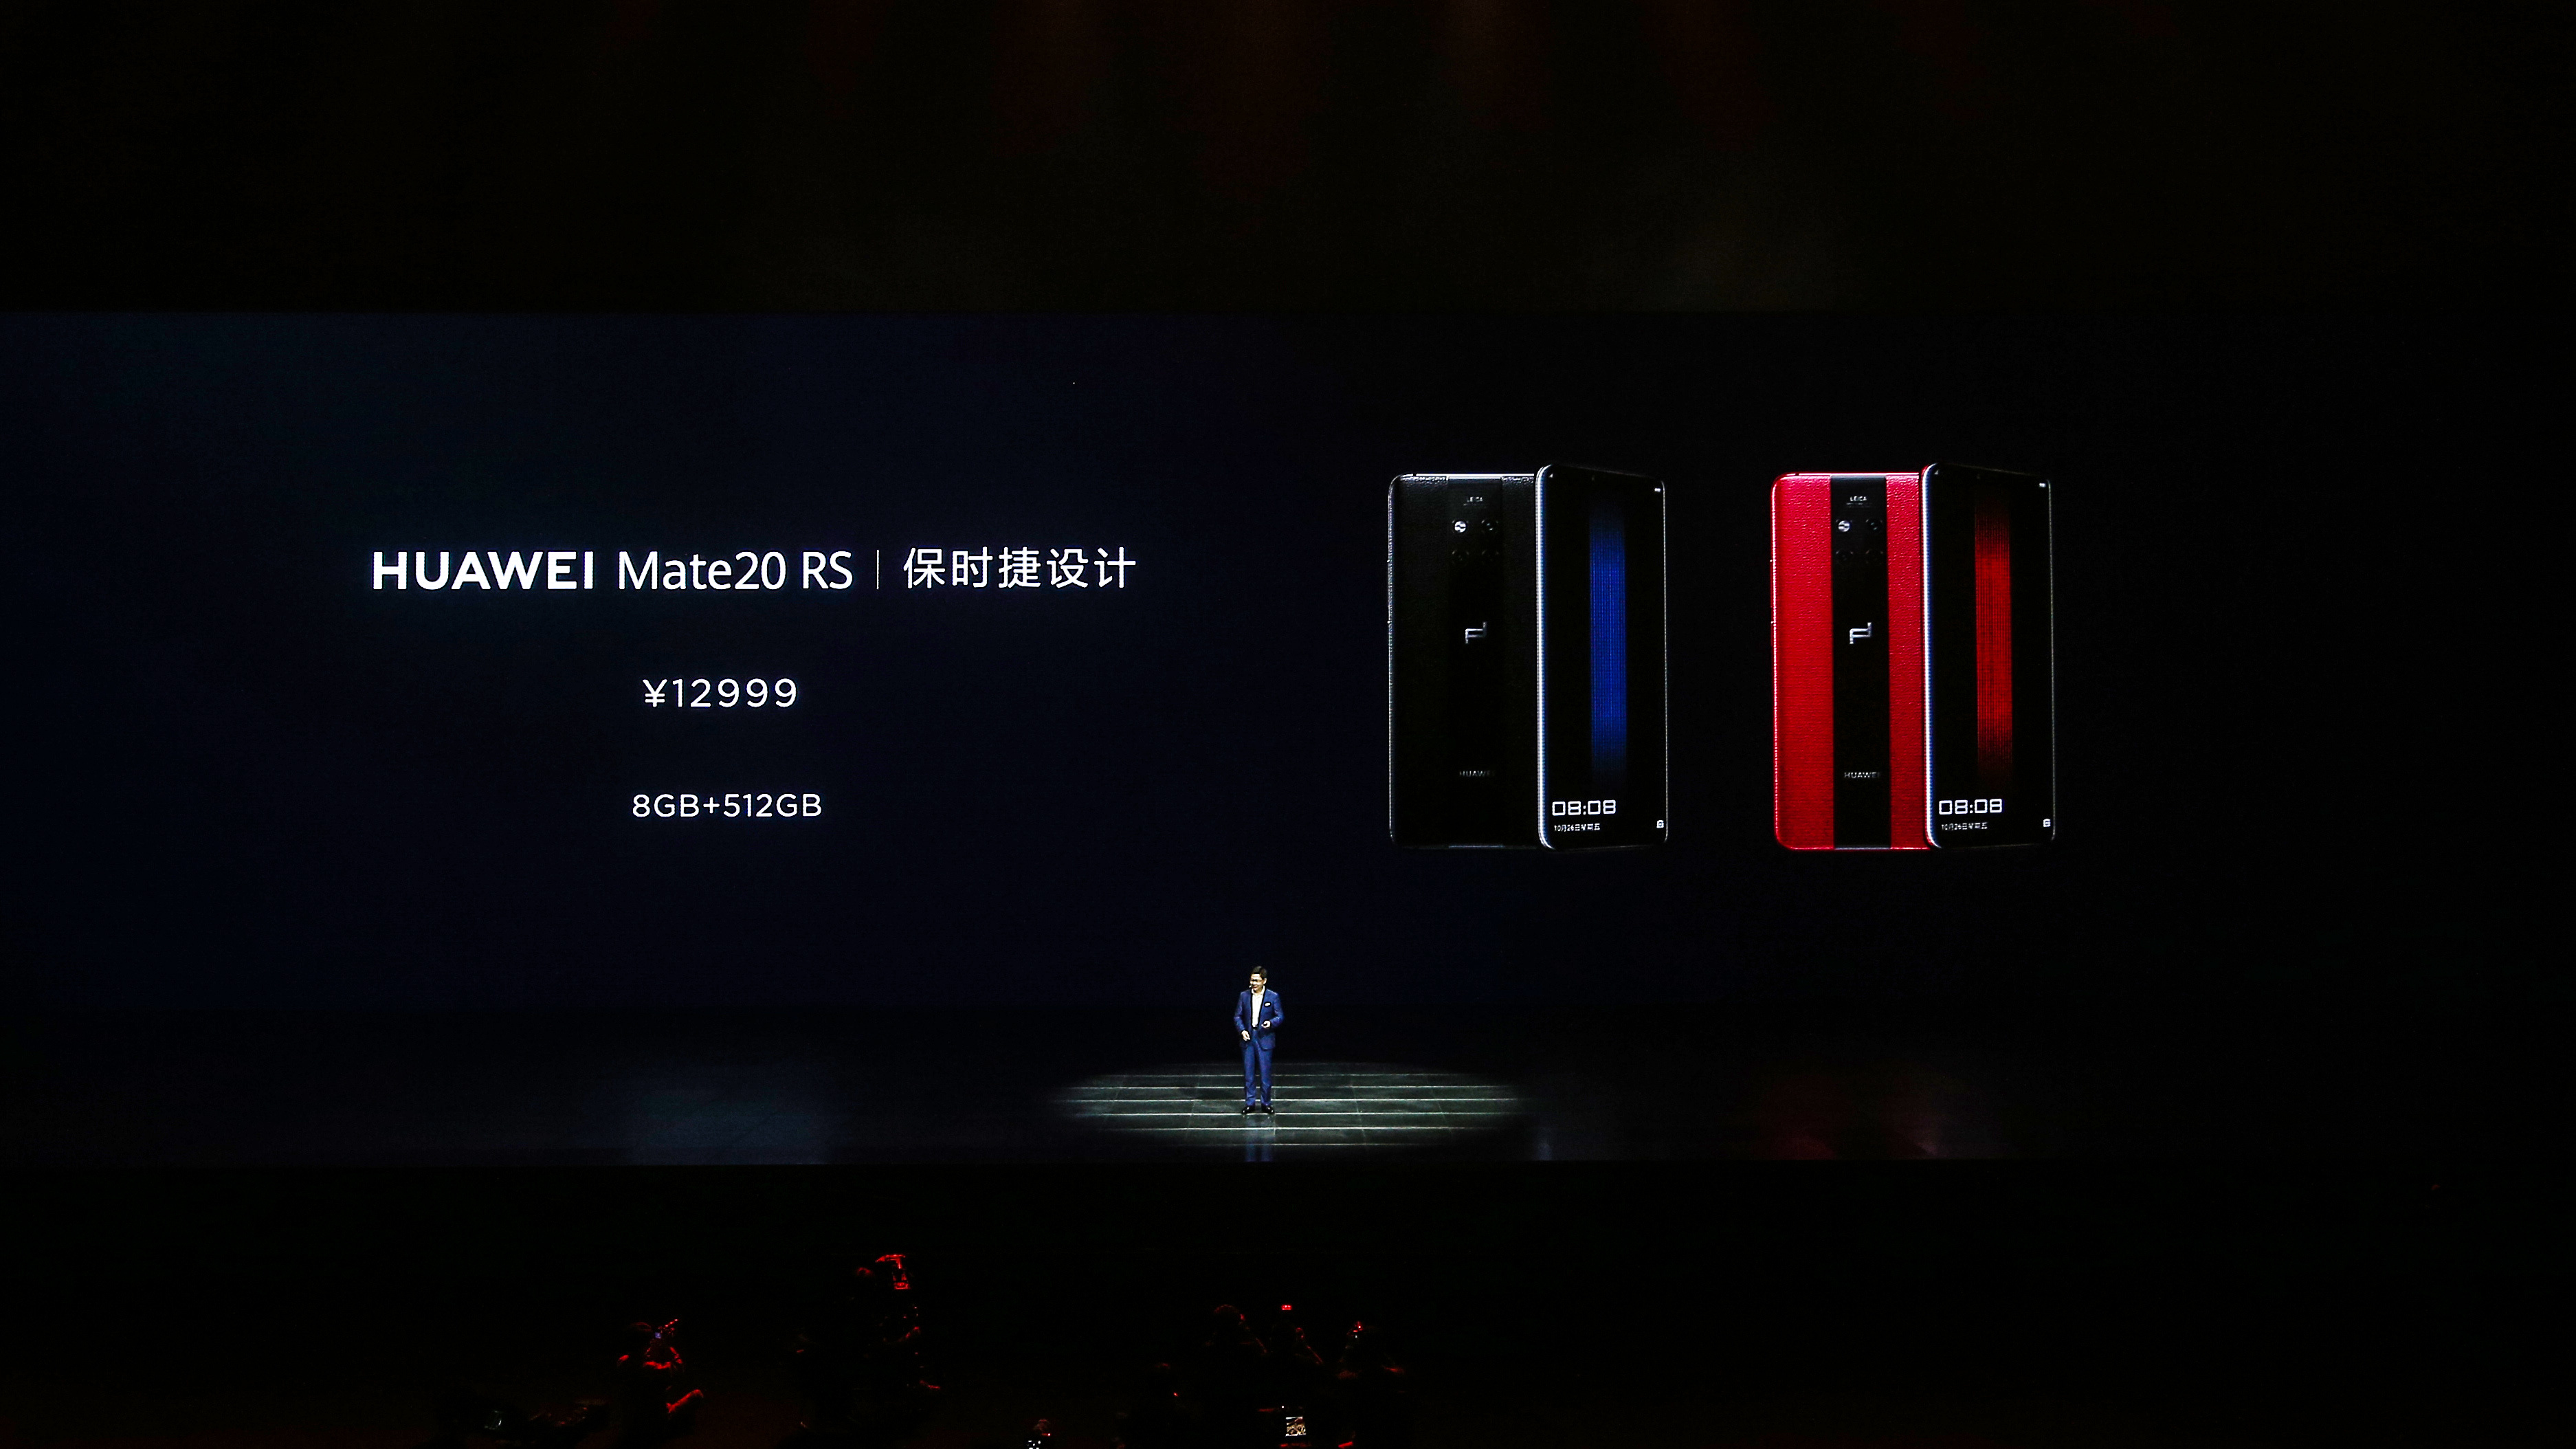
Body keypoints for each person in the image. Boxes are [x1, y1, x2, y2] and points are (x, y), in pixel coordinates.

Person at [1234, 970, 1283, 1115]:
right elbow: (1237, 1016)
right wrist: (1242, 1030)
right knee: (1248, 1074)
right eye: (1252, 980)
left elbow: (1280, 1016)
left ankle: (1266, 1103)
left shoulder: (1273, 996)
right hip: (1249, 1037)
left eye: (1257, 981)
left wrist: (1271, 1023)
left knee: (1265, 1074)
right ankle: (1250, 1103)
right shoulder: (1244, 996)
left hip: (1264, 1037)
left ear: (1264, 981)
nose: (1253, 983)